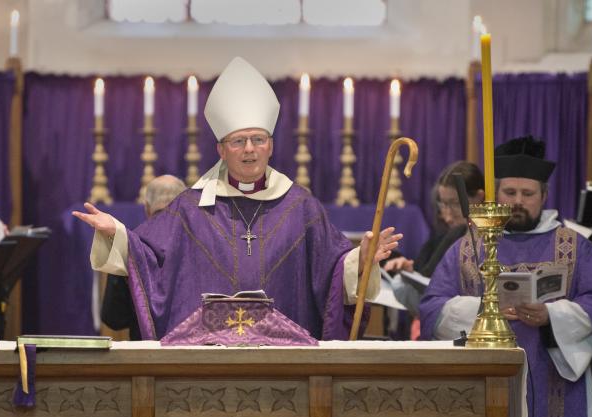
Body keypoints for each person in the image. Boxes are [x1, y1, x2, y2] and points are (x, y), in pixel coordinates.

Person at [74, 57, 400, 340]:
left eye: (258, 139)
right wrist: (115, 232)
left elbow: (330, 270)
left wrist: (360, 261)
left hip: (285, 360)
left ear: (270, 146)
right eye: (238, 141)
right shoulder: (190, 208)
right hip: (207, 358)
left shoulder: (302, 207)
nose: (249, 150)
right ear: (220, 149)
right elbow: (150, 255)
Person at [419, 136, 592, 417]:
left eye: (527, 194)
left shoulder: (574, 246)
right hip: (484, 382)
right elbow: (433, 307)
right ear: (496, 196)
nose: (518, 201)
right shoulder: (469, 245)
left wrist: (551, 315)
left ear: (544, 196)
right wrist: (485, 310)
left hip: (556, 380)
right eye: (509, 193)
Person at [382, 161, 484, 338]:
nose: (446, 214)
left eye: (454, 204)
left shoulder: (493, 239)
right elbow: (427, 288)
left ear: (479, 197)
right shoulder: (446, 237)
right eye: (443, 204)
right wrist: (410, 274)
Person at [100, 175, 186, 340]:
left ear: (146, 208)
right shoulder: (201, 244)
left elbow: (114, 319)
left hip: (144, 357)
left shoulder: (129, 245)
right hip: (193, 356)